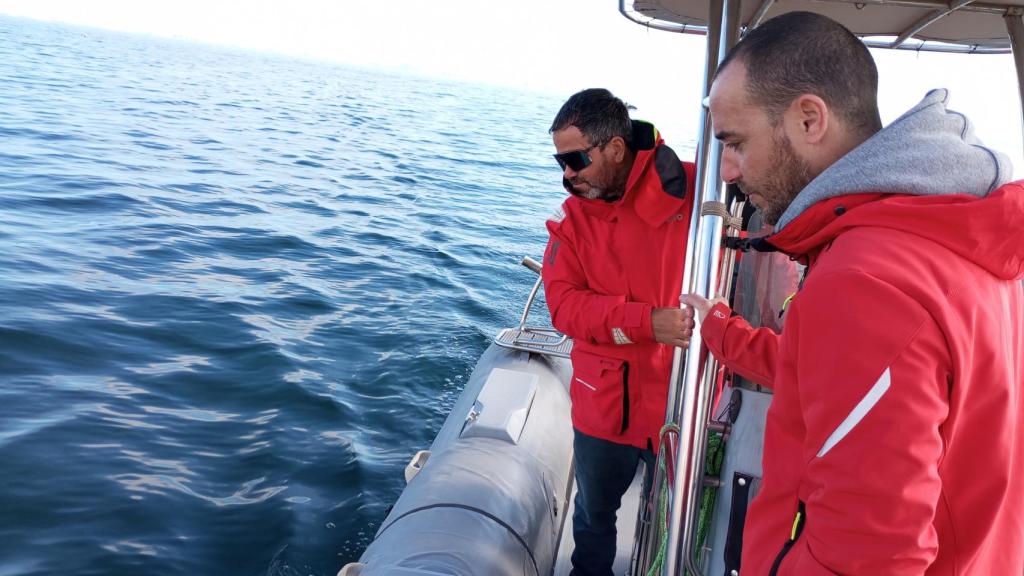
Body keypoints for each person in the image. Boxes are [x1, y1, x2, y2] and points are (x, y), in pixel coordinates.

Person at [681, 11, 1024, 575]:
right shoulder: (957, 234)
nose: (727, 170)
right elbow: (832, 373)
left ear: (810, 119)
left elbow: (867, 560)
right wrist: (721, 328)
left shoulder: (864, 281)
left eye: (736, 142)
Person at [542, 88, 696, 576]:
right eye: (560, 162)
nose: (567, 174)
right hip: (605, 406)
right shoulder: (571, 225)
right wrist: (646, 322)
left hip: (682, 398)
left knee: (680, 518)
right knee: (592, 518)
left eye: (575, 159)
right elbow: (565, 309)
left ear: (614, 148)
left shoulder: (692, 191)